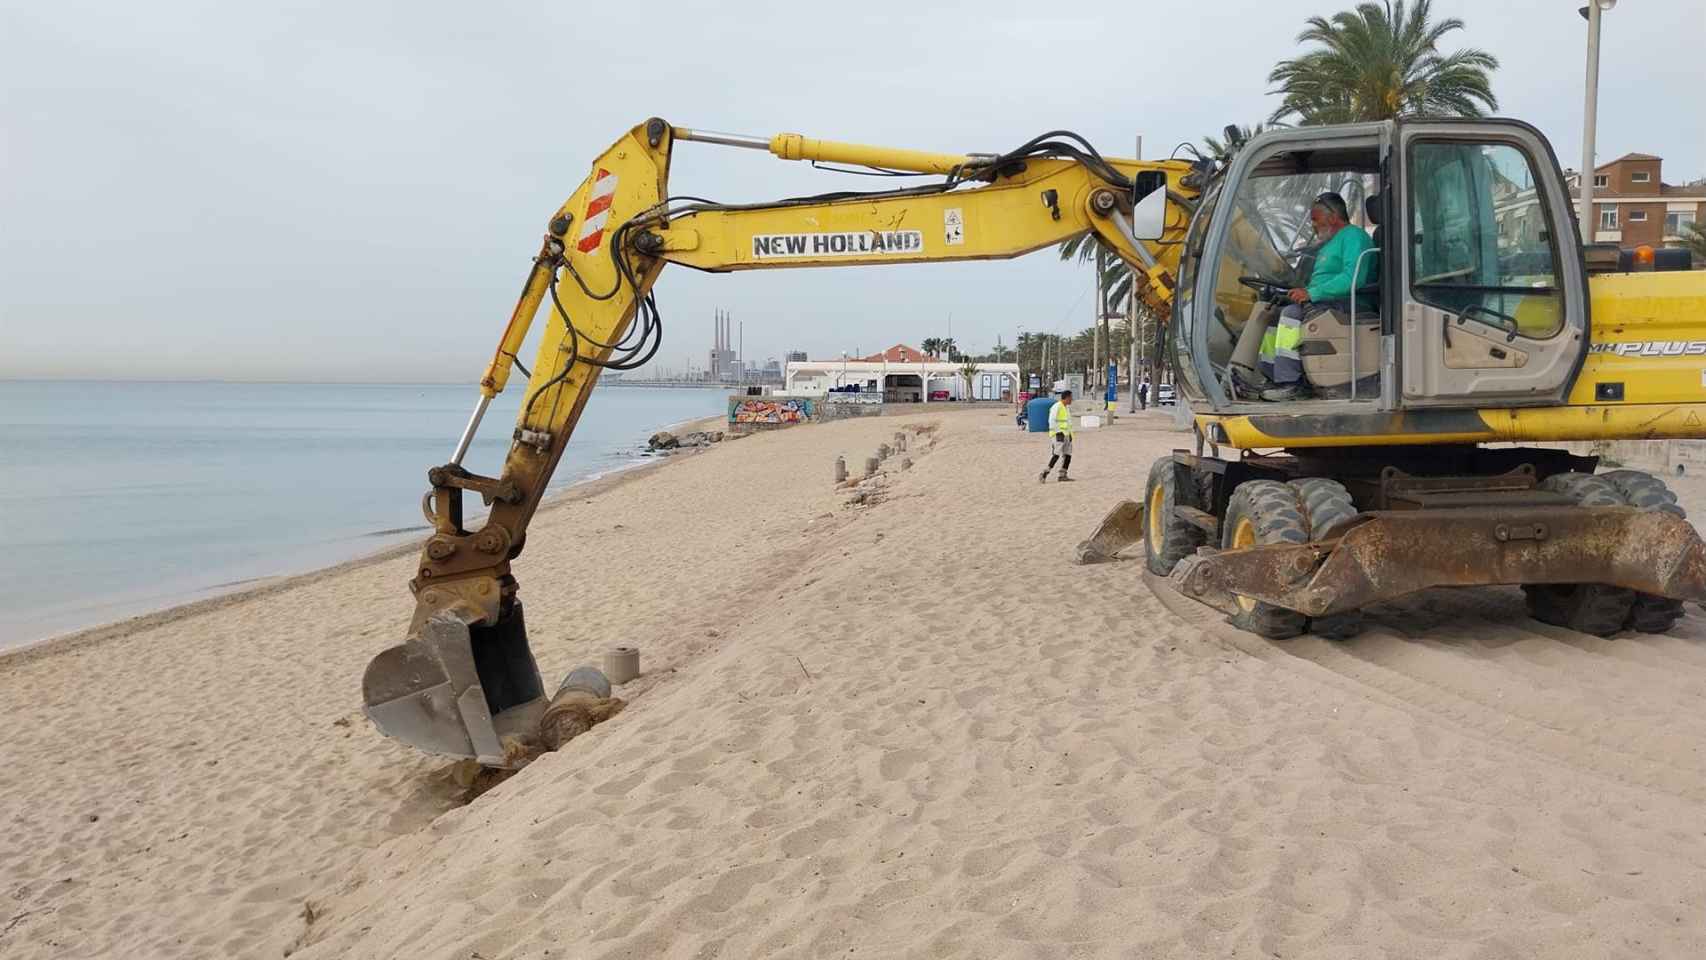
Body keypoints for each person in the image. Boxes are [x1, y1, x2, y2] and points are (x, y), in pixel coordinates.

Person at [1256, 191, 1374, 402]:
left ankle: (1291, 383)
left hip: (1351, 301)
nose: (1312, 224)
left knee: (1291, 315)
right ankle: (1272, 376)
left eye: (1315, 218)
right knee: (1274, 315)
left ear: (1332, 217)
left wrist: (1312, 293)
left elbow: (1353, 278)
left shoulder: (1354, 237)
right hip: (1326, 300)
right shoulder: (1328, 244)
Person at [1039, 389, 1075, 483]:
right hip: (1058, 434)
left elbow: (1068, 422)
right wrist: (1058, 432)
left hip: (1066, 434)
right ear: (1067, 398)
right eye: (1071, 397)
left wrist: (1070, 434)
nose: (1072, 399)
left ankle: (1062, 475)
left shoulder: (1066, 407)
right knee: (1056, 454)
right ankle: (1044, 473)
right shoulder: (1057, 406)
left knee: (1068, 455)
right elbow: (1051, 421)